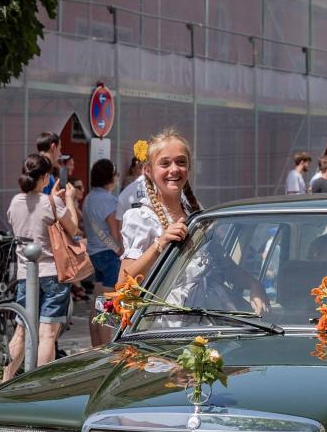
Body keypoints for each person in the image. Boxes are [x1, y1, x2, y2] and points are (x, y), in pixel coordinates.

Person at [120, 128, 269, 315]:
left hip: (206, 315)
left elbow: (224, 264)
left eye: (181, 162)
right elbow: (123, 284)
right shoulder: (141, 218)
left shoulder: (195, 212)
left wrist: (254, 285)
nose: (174, 169)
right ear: (148, 171)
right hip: (166, 321)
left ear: (188, 167)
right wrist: (160, 244)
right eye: (165, 163)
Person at [5, 154, 80, 378]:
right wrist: (68, 199)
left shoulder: (15, 202)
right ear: (46, 177)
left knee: (21, 331)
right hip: (53, 273)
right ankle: (39, 385)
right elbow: (73, 228)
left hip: (25, 274)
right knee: (47, 334)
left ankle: (5, 381)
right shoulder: (52, 203)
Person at [84, 158, 124, 346]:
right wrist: (121, 251)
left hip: (94, 254)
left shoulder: (89, 198)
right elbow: (115, 233)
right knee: (109, 306)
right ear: (110, 177)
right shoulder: (109, 200)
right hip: (109, 254)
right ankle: (107, 349)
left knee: (97, 303)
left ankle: (96, 347)